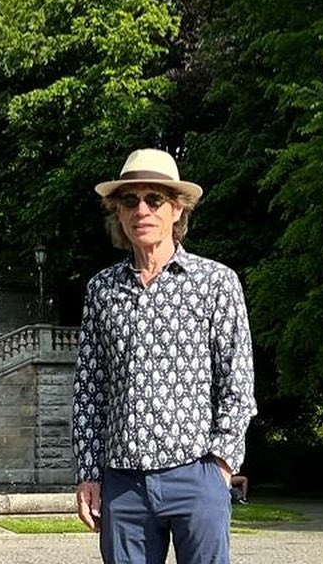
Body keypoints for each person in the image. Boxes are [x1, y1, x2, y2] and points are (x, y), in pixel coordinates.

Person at [72, 148, 256, 564]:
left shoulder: (215, 283)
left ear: (177, 209)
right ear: (117, 213)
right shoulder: (102, 290)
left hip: (196, 474)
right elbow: (89, 390)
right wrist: (88, 472)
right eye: (129, 200)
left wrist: (219, 468)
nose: (141, 209)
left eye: (154, 199)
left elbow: (238, 383)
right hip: (123, 484)